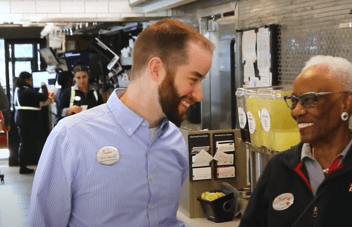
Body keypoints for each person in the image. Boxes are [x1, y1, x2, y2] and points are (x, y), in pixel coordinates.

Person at [28, 18, 213, 226]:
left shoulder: (175, 141)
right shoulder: (71, 137)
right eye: (193, 79)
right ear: (156, 69)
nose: (199, 95)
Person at [239, 55, 352, 227]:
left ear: (346, 103)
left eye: (309, 100)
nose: (296, 112)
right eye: (293, 101)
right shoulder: (279, 167)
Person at [14, 71, 54, 174]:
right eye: (30, 79)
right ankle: (42, 165)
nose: (31, 82)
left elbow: (32, 102)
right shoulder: (27, 91)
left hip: (21, 118)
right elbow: (43, 96)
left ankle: (23, 166)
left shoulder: (19, 90)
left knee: (24, 143)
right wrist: (43, 85)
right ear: (27, 80)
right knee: (38, 141)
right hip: (29, 119)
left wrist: (42, 104)